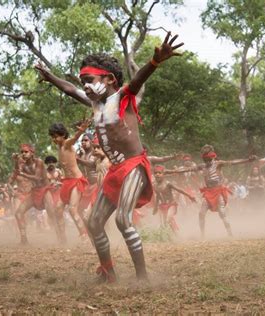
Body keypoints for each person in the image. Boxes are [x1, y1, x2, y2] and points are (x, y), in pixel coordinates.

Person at [35, 32, 183, 282]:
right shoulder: (95, 104)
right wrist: (49, 76)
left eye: (89, 79)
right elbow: (70, 89)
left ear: (110, 79)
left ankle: (143, 277)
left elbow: (137, 80)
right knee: (93, 222)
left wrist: (155, 62)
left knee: (124, 220)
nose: (85, 85)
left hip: (134, 166)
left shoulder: (122, 97)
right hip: (115, 170)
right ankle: (108, 273)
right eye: (83, 80)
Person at [181, 145, 256, 237]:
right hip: (208, 193)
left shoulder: (218, 164)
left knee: (222, 213)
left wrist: (247, 160)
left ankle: (230, 234)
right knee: (201, 213)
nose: (207, 161)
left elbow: (232, 162)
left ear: (212, 157)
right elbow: (186, 169)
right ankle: (202, 235)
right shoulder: (202, 166)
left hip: (218, 191)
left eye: (208, 159)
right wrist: (169, 172)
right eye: (205, 159)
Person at [49, 121, 90, 238]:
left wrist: (81, 130)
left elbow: (74, 138)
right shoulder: (59, 147)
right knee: (58, 209)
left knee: (73, 209)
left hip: (76, 181)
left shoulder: (67, 144)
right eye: (52, 136)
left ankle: (85, 237)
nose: (54, 139)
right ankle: (62, 238)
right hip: (66, 182)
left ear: (63, 135)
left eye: (56, 136)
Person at [11, 143, 59, 244]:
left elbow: (37, 177)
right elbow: (16, 171)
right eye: (22, 152)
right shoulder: (23, 165)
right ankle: (24, 239)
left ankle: (59, 236)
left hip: (45, 190)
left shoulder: (39, 162)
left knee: (51, 214)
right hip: (34, 192)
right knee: (18, 213)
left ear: (32, 153)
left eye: (26, 152)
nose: (24, 154)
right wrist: (16, 161)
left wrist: (23, 174)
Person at [152, 165, 196, 233]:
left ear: (163, 174)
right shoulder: (154, 185)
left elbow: (179, 190)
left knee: (168, 218)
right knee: (165, 222)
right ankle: (174, 235)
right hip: (163, 205)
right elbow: (158, 196)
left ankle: (172, 233)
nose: (157, 174)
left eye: (159, 173)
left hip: (171, 204)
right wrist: (155, 207)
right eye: (155, 173)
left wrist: (190, 196)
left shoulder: (168, 183)